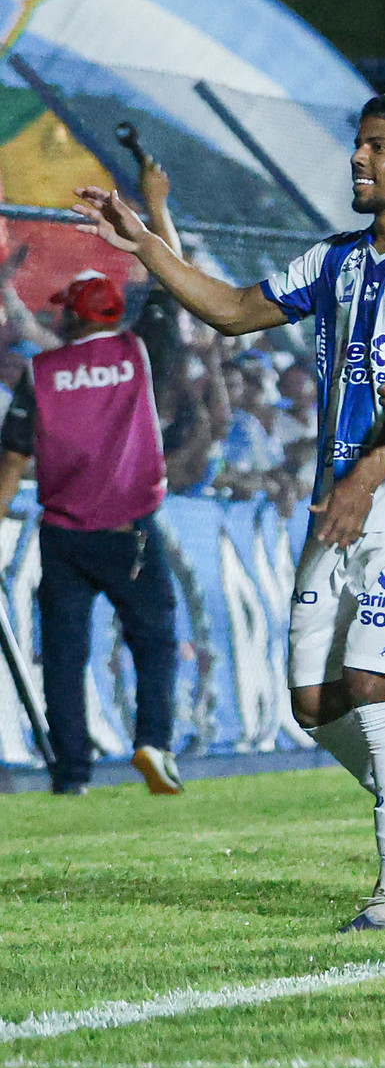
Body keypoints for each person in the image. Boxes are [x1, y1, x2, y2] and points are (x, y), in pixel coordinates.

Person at [74, 93, 385, 931]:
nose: (359, 160)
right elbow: (231, 310)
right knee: (314, 704)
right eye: (358, 145)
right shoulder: (335, 259)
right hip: (339, 502)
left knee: (375, 683)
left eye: (378, 147)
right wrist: (147, 245)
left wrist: (361, 482)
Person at [0, 272, 181, 797]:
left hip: (62, 536)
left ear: (77, 315)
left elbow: (12, 455)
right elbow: (169, 297)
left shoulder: (42, 372)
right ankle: (153, 743)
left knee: (63, 654)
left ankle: (71, 773)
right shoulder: (138, 354)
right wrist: (157, 219)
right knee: (154, 643)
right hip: (131, 534)